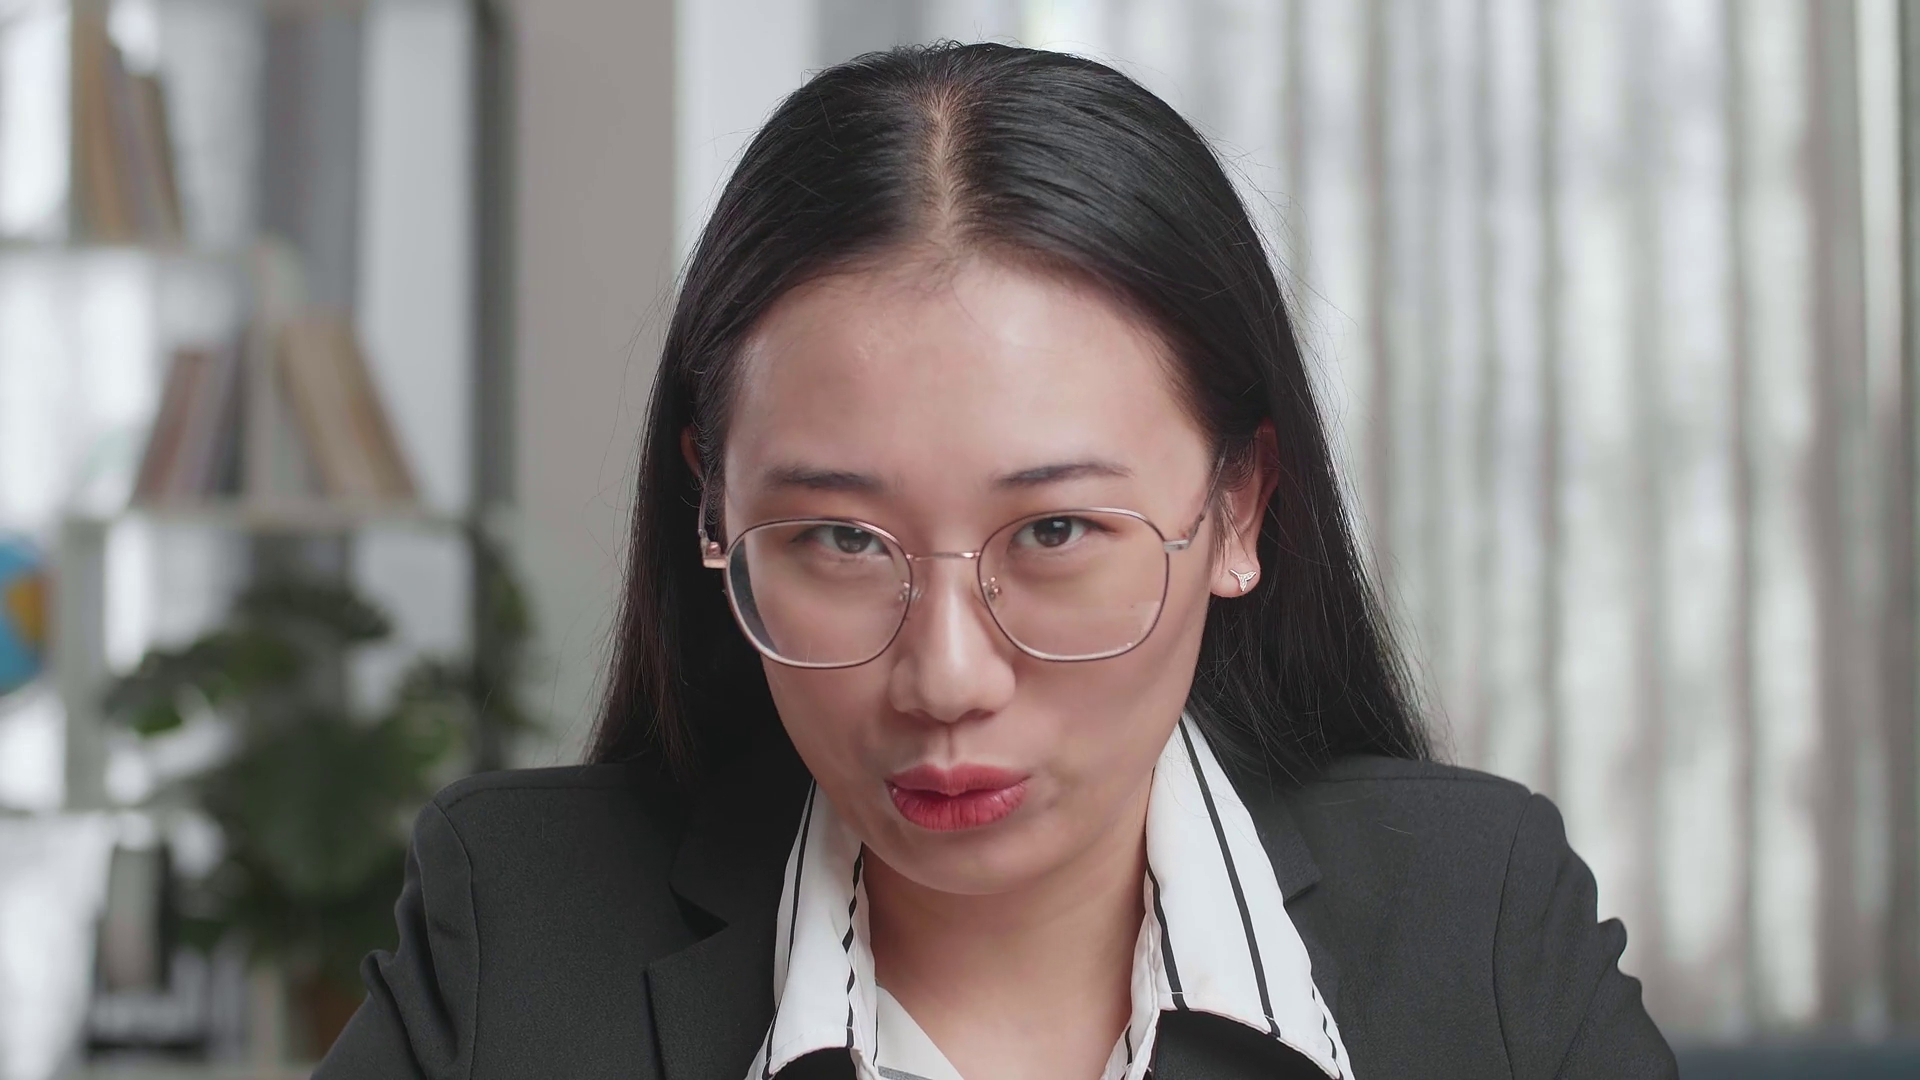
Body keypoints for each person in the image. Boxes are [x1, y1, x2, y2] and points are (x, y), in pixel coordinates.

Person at [315, 42, 1676, 1080]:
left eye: (1055, 532)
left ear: (1240, 510)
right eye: (841, 540)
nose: (948, 679)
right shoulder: (519, 930)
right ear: (713, 514)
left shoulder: (1477, 917)